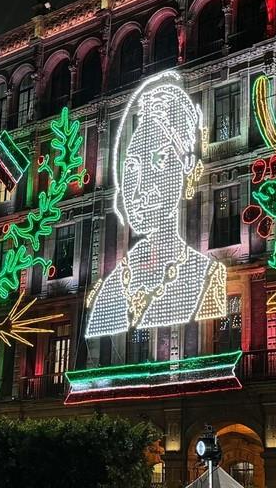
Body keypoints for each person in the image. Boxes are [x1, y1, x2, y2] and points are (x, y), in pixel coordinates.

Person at [86, 71, 226, 338]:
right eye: (131, 167)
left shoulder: (207, 277)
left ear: (187, 168)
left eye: (158, 161)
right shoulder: (108, 292)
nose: (140, 189)